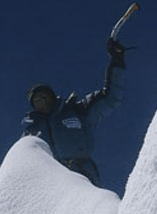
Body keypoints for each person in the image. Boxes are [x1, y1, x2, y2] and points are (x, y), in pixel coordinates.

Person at [21, 38, 128, 186]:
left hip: (83, 175)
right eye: (37, 100)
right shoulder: (31, 132)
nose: (43, 100)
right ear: (34, 106)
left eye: (46, 96)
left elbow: (110, 97)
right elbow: (21, 164)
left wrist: (117, 62)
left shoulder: (78, 111)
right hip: (50, 184)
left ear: (54, 97)